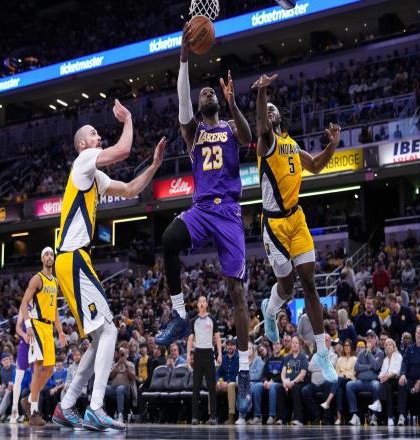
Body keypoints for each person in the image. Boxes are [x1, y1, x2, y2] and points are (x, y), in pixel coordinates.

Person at [156, 22, 253, 416]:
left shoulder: (229, 125)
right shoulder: (193, 132)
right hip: (201, 209)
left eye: (211, 91)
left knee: (237, 292)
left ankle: (243, 372)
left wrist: (233, 103)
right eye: (204, 93)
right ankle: (180, 313)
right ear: (199, 107)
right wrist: (183, 57)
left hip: (228, 211)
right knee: (169, 239)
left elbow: (248, 137)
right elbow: (183, 102)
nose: (207, 92)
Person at [52, 99, 167, 432]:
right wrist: (128, 119)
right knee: (111, 330)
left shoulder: (93, 176)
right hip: (73, 257)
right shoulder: (83, 161)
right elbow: (123, 150)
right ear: (82, 144)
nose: (98, 135)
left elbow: (130, 189)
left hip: (73, 260)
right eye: (93, 133)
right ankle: (96, 407)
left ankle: (67, 405)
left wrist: (154, 166)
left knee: (100, 336)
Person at [251, 73, 341, 384]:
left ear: (281, 117)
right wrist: (262, 92)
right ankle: (270, 310)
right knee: (287, 287)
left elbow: (314, 166)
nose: (270, 111)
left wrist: (332, 145)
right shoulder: (266, 142)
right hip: (274, 224)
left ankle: (323, 353)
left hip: (296, 219)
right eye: (267, 109)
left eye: (274, 109)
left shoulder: (292, 145)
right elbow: (261, 122)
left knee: (310, 283)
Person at [20, 247, 66, 427]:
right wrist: (28, 325)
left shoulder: (55, 282)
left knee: (50, 369)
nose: (49, 257)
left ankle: (29, 398)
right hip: (37, 325)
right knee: (38, 366)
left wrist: (60, 331)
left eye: (51, 254)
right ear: (42, 258)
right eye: (46, 254)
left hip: (49, 328)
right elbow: (24, 302)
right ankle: (33, 411)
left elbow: (54, 310)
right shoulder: (37, 278)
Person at [187, 296, 221, 426]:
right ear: (197, 305)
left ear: (207, 304)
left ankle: (213, 416)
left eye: (204, 301)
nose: (202, 303)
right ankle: (194, 417)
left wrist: (219, 354)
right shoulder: (193, 320)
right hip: (198, 354)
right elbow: (190, 339)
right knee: (196, 387)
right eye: (200, 301)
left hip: (209, 353)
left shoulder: (212, 319)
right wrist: (188, 354)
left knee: (212, 387)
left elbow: (217, 338)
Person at [397, 324, 420, 426]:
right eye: (418, 333)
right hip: (410, 378)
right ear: (415, 334)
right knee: (402, 383)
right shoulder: (409, 348)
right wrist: (403, 375)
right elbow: (404, 363)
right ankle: (402, 415)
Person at [346, 330, 384, 426]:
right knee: (349, 385)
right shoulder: (361, 352)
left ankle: (374, 416)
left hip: (372, 382)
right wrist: (368, 367)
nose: (369, 340)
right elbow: (356, 367)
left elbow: (376, 366)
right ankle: (355, 415)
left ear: (376, 340)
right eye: (368, 338)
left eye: (372, 338)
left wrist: (369, 352)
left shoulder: (380, 353)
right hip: (361, 382)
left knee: (377, 386)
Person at [301, 335, 338, 425]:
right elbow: (310, 367)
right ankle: (316, 415)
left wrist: (319, 366)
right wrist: (323, 366)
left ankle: (327, 418)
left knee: (328, 385)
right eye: (323, 340)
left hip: (325, 383)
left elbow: (330, 368)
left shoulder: (333, 355)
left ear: (330, 343)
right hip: (314, 383)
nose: (324, 342)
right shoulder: (315, 355)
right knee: (304, 391)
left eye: (326, 340)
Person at [320, 339, 357, 425]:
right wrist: (340, 376)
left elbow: (353, 373)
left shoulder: (355, 359)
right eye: (345, 346)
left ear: (351, 347)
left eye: (348, 345)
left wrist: (343, 375)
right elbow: (336, 373)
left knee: (339, 379)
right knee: (339, 390)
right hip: (340, 382)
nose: (346, 347)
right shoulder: (340, 359)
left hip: (349, 381)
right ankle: (339, 417)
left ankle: (328, 401)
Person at [368, 338, 402, 426]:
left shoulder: (398, 356)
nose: (388, 346)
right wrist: (382, 377)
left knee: (386, 383)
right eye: (386, 345)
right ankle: (390, 417)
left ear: (394, 347)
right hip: (387, 383)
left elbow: (397, 371)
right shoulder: (385, 359)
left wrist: (387, 376)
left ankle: (378, 403)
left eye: (390, 344)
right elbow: (381, 372)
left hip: (396, 380)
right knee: (387, 386)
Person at [276, 336, 308, 425]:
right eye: (293, 342)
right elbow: (283, 373)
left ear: (300, 345)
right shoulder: (287, 357)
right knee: (279, 389)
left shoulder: (303, 357)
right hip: (287, 383)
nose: (294, 344)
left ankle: (298, 419)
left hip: (299, 382)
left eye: (296, 343)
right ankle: (281, 419)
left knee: (295, 388)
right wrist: (284, 382)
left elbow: (303, 373)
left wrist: (293, 382)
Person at [249, 341, 284, 425]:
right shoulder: (269, 359)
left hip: (279, 382)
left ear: (281, 346)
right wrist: (265, 381)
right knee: (257, 386)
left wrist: (272, 381)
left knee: (272, 387)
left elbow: (283, 375)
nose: (276, 346)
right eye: (274, 344)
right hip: (268, 382)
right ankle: (257, 416)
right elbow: (264, 374)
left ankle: (272, 416)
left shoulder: (284, 359)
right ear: (272, 346)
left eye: (277, 344)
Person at [10, 306, 31, 423]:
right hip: (25, 343)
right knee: (18, 378)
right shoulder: (24, 306)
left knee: (38, 377)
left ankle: (32, 406)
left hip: (37, 342)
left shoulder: (43, 303)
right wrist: (24, 335)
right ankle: (14, 409)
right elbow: (18, 327)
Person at [105, 348, 136, 424]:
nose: (122, 356)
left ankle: (120, 414)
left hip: (126, 389)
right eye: (120, 354)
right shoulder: (115, 364)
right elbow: (111, 376)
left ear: (127, 355)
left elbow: (132, 378)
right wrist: (118, 364)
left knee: (120, 388)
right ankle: (102, 413)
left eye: (123, 354)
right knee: (104, 388)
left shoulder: (131, 364)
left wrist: (126, 365)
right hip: (113, 388)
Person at [216, 338, 240, 424]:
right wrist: (218, 382)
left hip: (234, 383)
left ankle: (231, 416)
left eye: (232, 345)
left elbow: (238, 374)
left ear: (235, 347)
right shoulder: (223, 358)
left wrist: (228, 382)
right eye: (228, 345)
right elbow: (218, 373)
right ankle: (212, 415)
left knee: (230, 386)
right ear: (226, 346)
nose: (230, 347)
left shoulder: (238, 358)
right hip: (223, 383)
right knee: (212, 385)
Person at [0, 353, 16, 422]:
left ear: (9, 360)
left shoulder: (15, 368)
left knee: (7, 393)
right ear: (2, 362)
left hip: (15, 387)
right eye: (4, 360)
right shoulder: (2, 370)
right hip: (7, 387)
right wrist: (2, 387)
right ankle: (3, 414)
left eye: (7, 359)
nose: (6, 361)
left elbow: (19, 380)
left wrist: (12, 385)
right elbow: (4, 383)